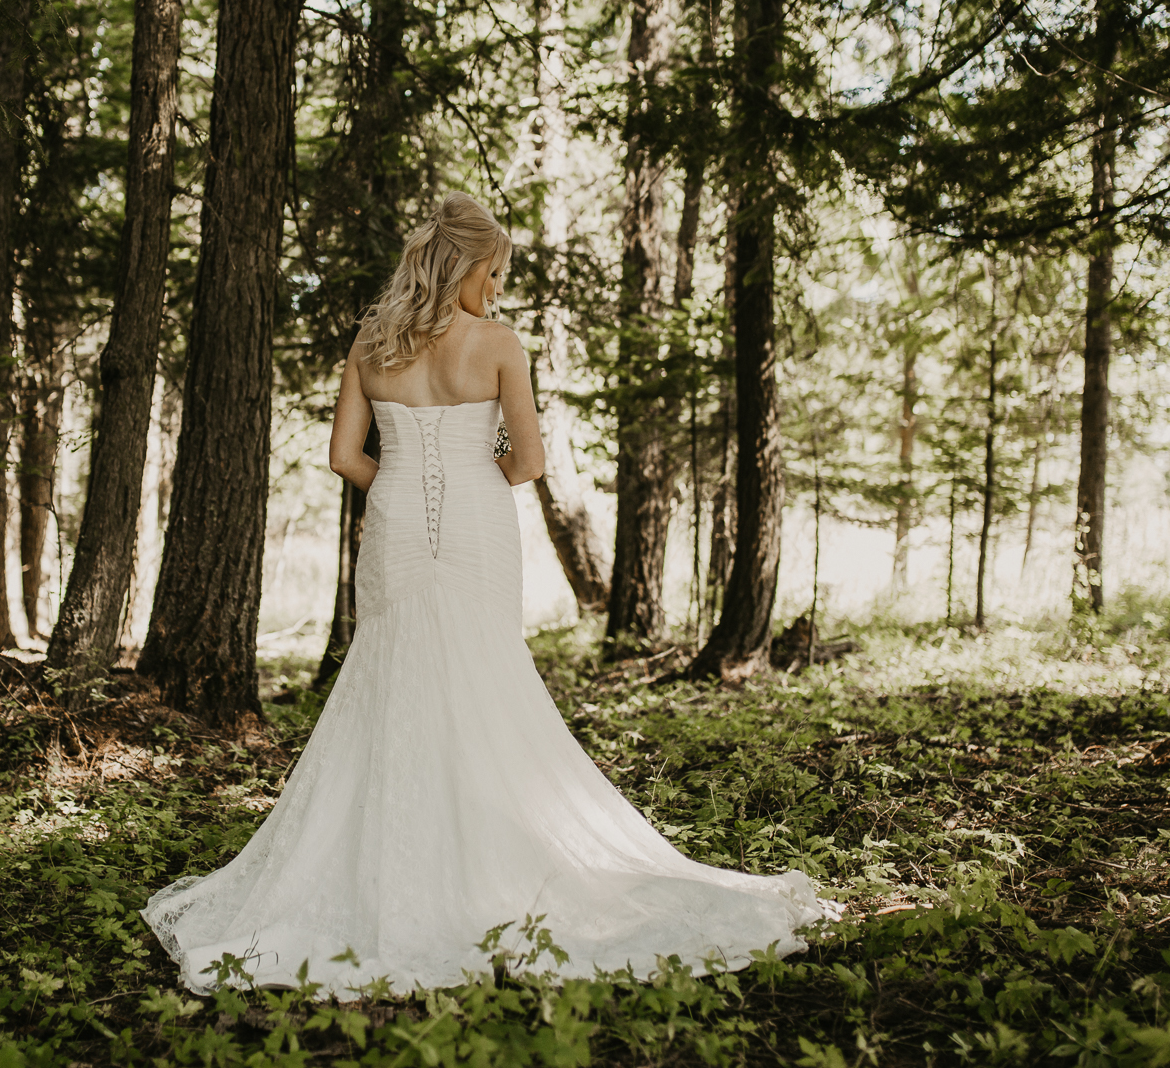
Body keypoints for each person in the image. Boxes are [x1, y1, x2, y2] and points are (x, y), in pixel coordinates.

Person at [144, 192, 835, 996]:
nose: (498, 289)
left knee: (393, 679)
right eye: (495, 271)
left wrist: (399, 481)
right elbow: (531, 460)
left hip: (394, 522)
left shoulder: (372, 342)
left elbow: (343, 456)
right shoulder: (499, 344)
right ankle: (487, 863)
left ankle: (399, 863)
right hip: (477, 523)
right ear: (465, 265)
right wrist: (472, 481)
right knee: (482, 676)